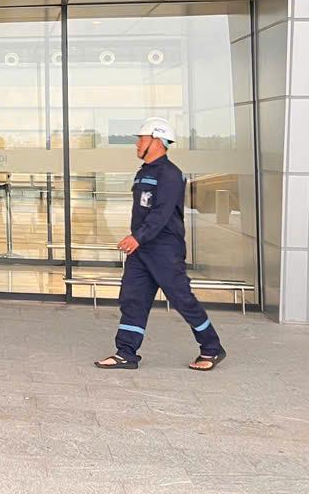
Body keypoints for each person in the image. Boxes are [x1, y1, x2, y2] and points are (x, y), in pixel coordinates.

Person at [95, 117, 227, 372]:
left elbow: (161, 213)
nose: (137, 144)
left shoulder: (171, 174)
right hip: (142, 250)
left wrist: (137, 237)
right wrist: (139, 240)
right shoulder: (144, 172)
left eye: (142, 139)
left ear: (157, 141)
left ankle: (211, 348)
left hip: (165, 250)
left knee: (182, 300)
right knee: (133, 299)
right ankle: (126, 353)